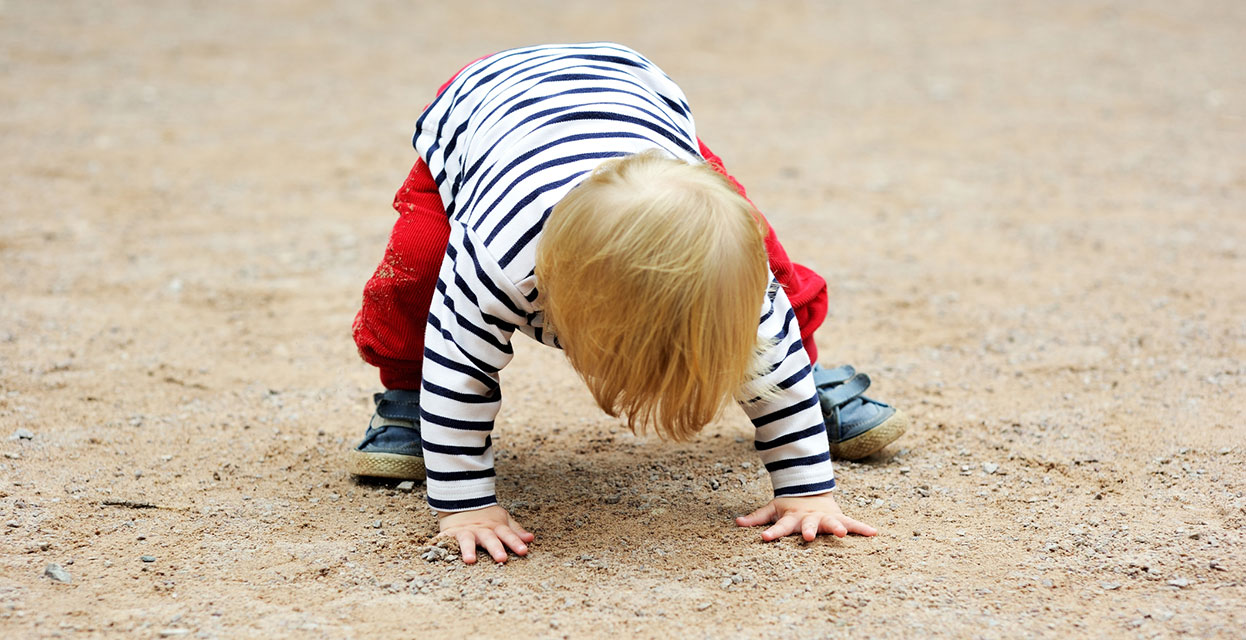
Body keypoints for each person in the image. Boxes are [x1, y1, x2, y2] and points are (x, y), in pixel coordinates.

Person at [349, 43, 907, 564]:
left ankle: (813, 374)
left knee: (765, 265)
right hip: (482, 119)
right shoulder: (497, 261)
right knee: (416, 277)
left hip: (638, 107)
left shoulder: (738, 278)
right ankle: (404, 398)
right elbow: (462, 371)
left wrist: (806, 494)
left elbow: (762, 346)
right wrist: (466, 507)